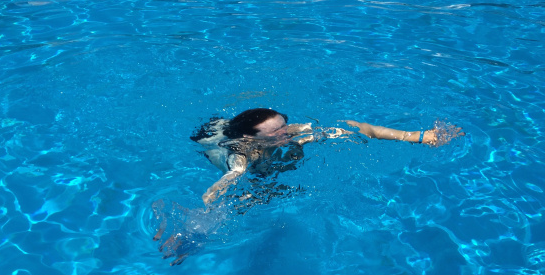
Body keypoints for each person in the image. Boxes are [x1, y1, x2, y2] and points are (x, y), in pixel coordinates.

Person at [191, 108, 465, 205]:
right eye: (277, 132)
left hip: (245, 134)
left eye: (285, 124)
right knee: (252, 197)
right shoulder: (240, 152)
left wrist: (419, 136)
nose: (287, 132)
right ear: (252, 137)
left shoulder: (289, 132)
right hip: (217, 142)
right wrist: (215, 191)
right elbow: (235, 173)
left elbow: (355, 128)